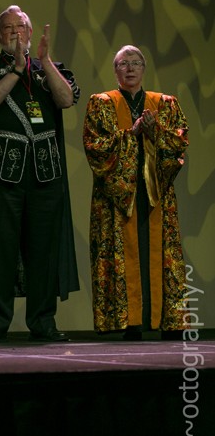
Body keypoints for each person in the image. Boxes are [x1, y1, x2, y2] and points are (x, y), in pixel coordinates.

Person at [0, 5, 79, 343]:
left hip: (45, 173)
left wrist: (44, 62)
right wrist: (16, 70)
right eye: (9, 28)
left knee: (44, 252)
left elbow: (66, 99)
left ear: (31, 32)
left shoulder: (49, 70)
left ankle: (43, 322)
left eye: (21, 27)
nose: (15, 33)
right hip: (0, 174)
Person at [83, 45, 189, 340]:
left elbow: (178, 145)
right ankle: (129, 323)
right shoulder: (101, 104)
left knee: (157, 252)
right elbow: (96, 147)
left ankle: (166, 320)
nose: (129, 68)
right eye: (123, 63)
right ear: (115, 70)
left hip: (155, 195)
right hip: (118, 200)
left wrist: (155, 132)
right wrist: (134, 134)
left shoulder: (165, 103)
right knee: (124, 251)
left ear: (144, 68)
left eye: (135, 63)